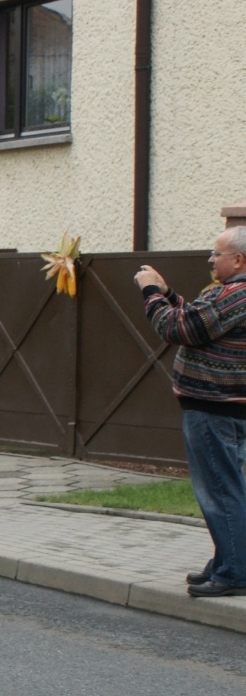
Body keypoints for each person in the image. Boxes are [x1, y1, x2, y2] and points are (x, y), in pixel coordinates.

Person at [136, 226, 246, 597]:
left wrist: (150, 292)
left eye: (217, 254)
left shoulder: (237, 294)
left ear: (239, 260)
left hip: (215, 407)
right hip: (222, 407)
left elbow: (179, 327)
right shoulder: (230, 296)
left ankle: (234, 572)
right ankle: (226, 562)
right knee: (228, 487)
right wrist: (168, 294)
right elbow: (201, 318)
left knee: (220, 490)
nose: (211, 260)